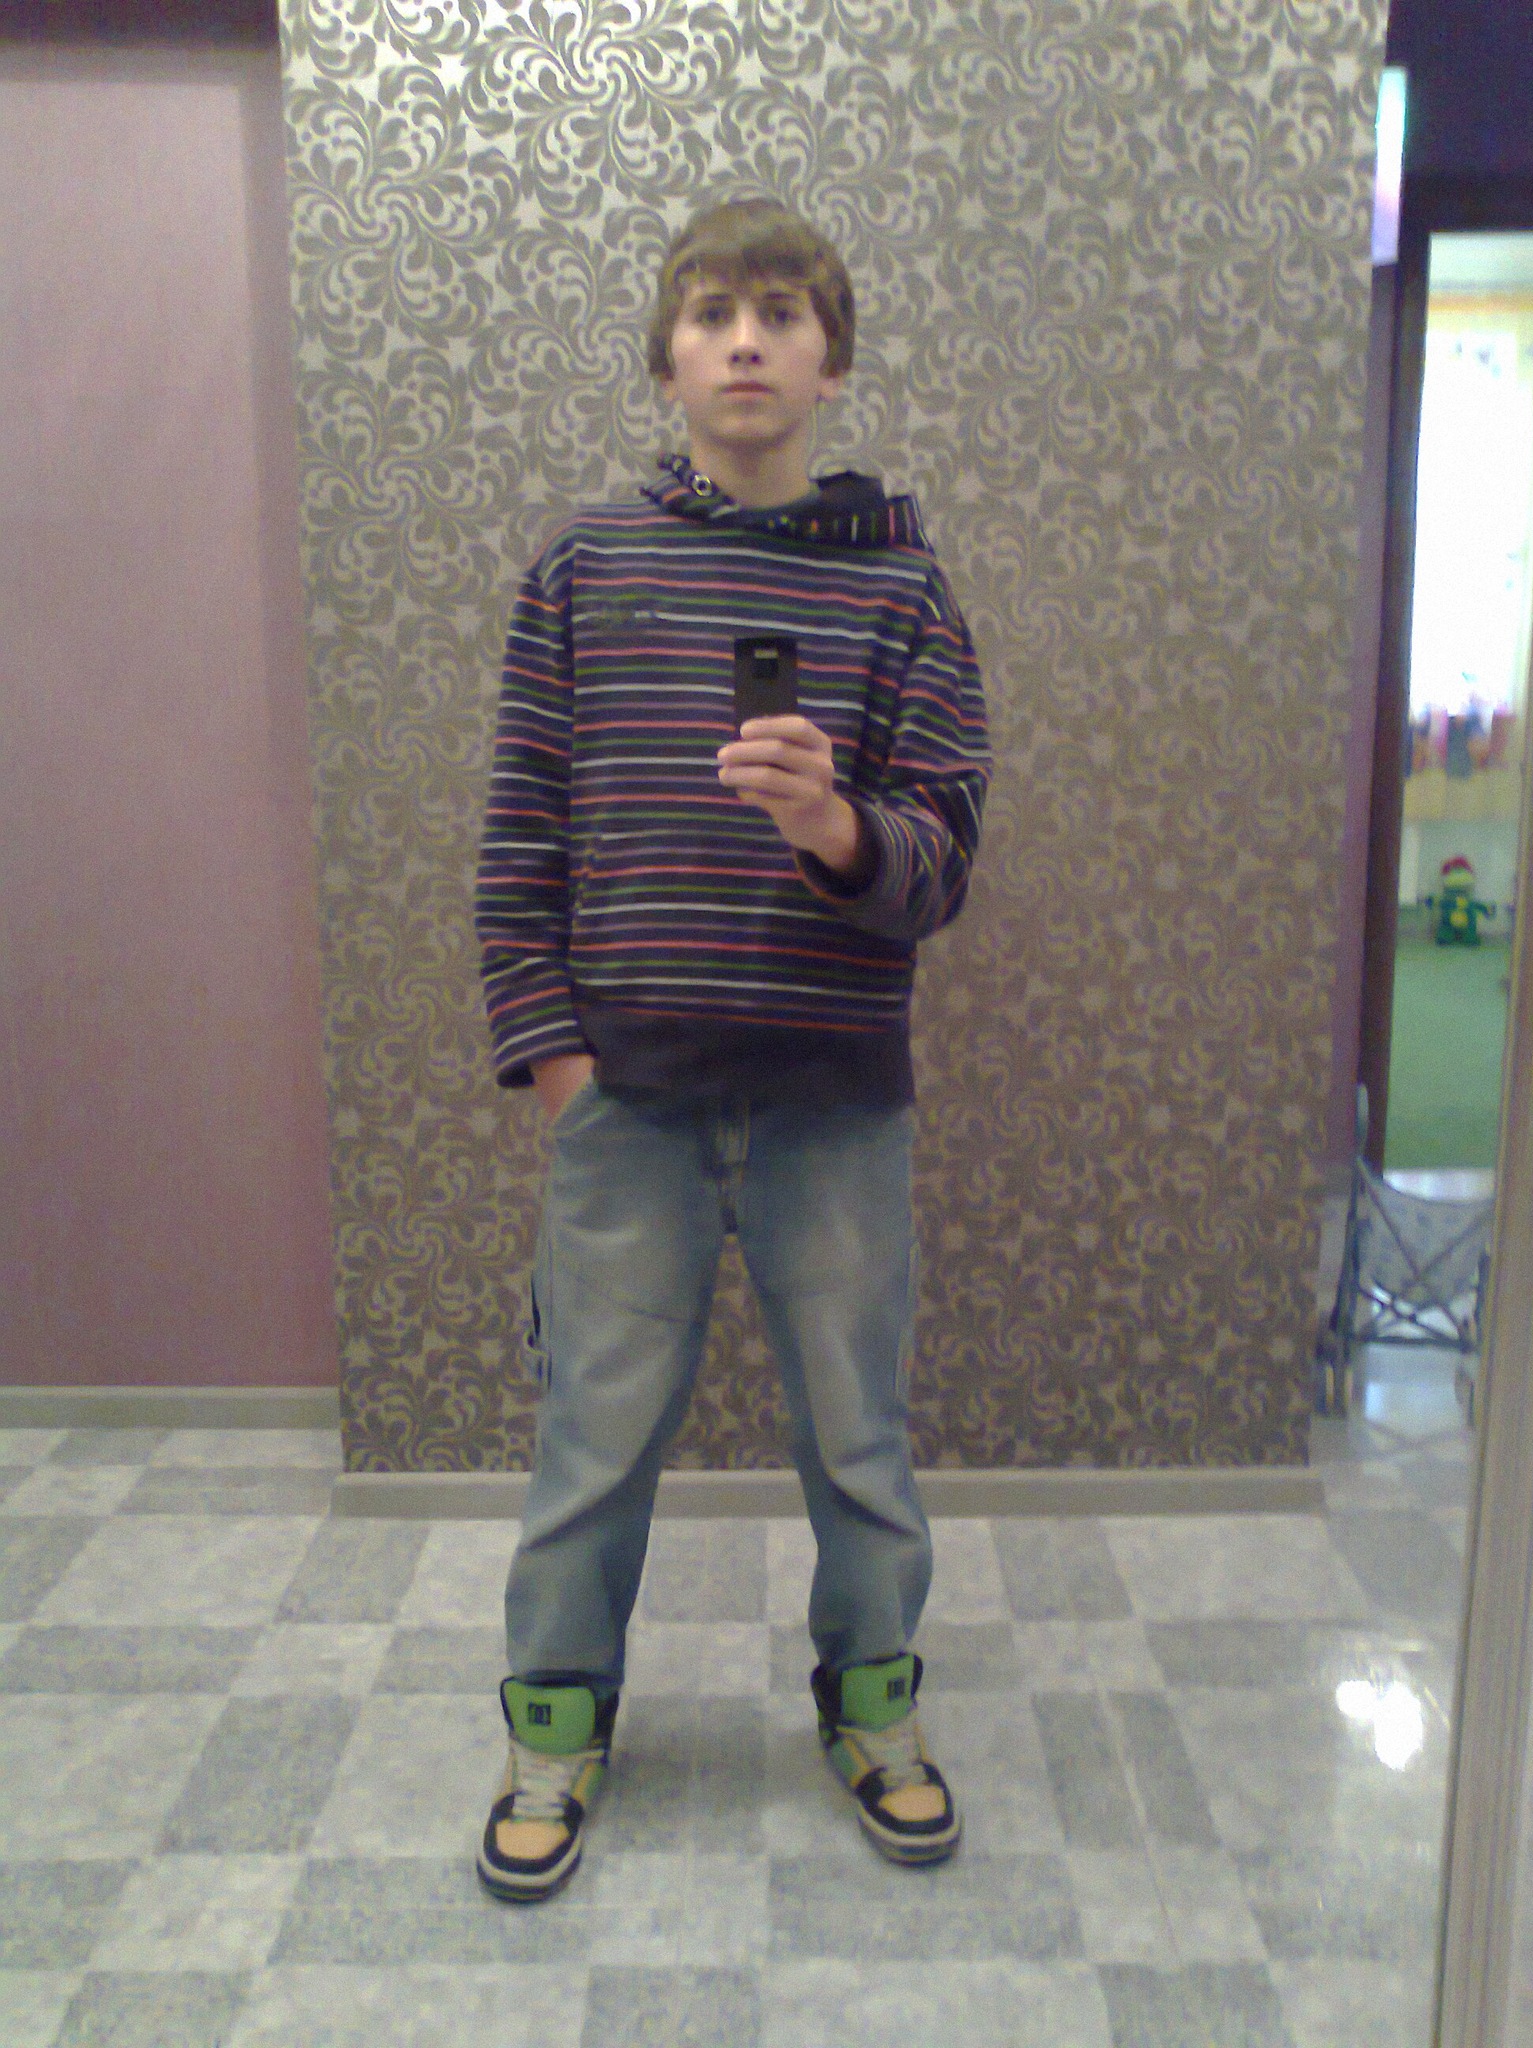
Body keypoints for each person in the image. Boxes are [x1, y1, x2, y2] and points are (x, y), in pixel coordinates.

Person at [473, 195, 990, 1903]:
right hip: (624, 1100)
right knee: (593, 1439)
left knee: (859, 1440)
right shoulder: (584, 568)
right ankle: (553, 1734)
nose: (746, 339)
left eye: (781, 311)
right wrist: (557, 1059)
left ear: (833, 361)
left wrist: (837, 827)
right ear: (668, 358)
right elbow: (519, 837)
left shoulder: (904, 587)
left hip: (837, 1106)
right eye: (711, 311)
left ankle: (875, 1712)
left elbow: (943, 859)